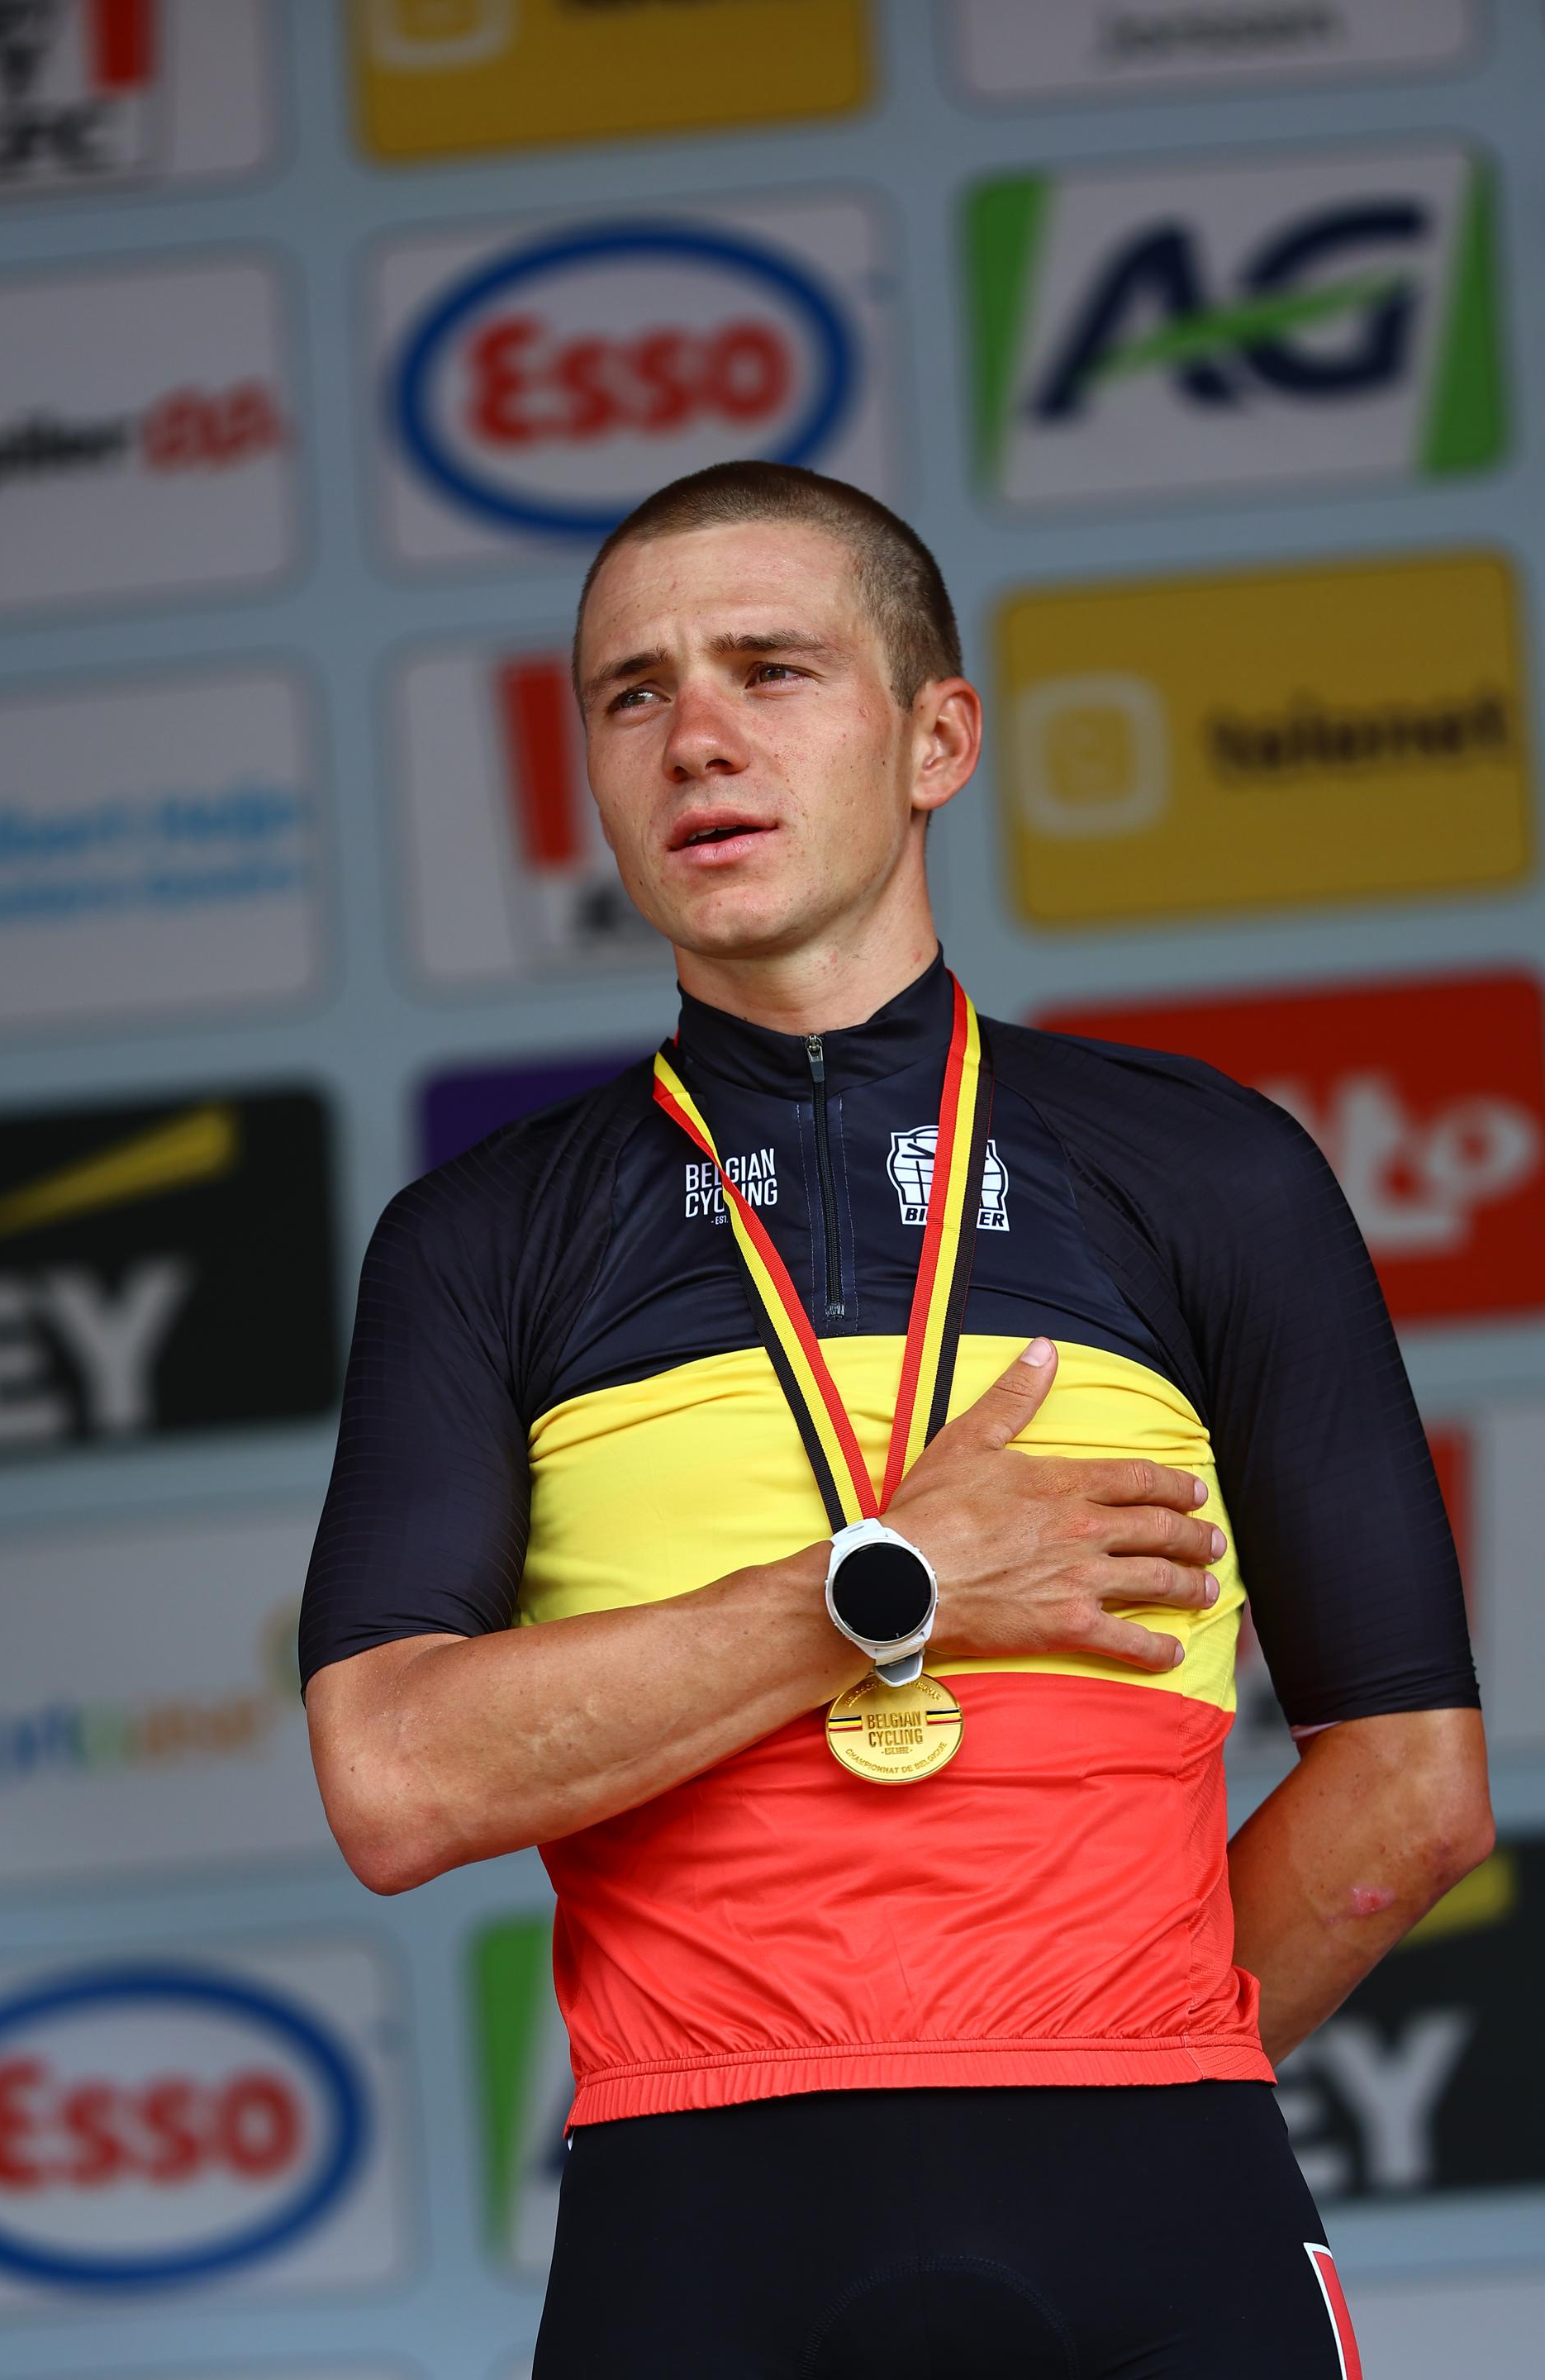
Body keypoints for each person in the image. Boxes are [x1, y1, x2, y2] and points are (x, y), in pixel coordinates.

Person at [299, 462, 1491, 2378]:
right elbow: (393, 1779)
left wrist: (1124, 2043)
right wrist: (886, 1584)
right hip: (707, 2243)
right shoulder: (482, 1238)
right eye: (633, 693)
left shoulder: (1209, 1174)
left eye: (771, 668)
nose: (698, 738)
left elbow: (1414, 1788)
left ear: (939, 739)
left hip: (1153, 2209)